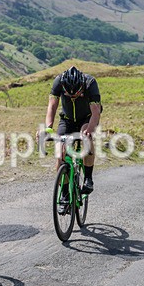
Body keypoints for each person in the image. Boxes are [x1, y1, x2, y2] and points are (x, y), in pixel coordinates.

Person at [40, 66, 102, 211]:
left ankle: (88, 178)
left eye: (77, 94)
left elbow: (96, 112)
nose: (73, 97)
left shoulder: (90, 83)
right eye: (69, 94)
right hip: (67, 120)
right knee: (60, 153)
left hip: (87, 118)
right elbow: (52, 107)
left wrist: (89, 130)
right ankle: (65, 194)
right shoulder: (58, 82)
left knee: (86, 137)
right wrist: (48, 128)